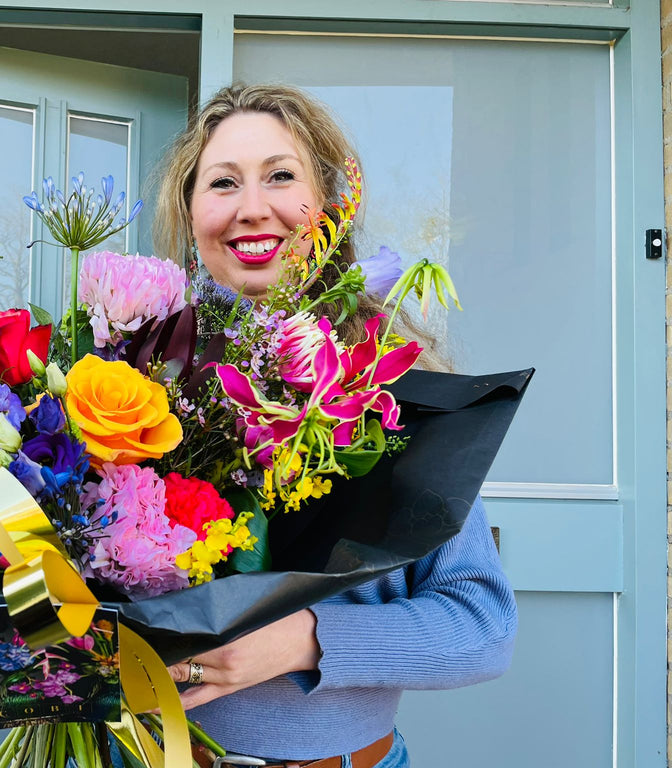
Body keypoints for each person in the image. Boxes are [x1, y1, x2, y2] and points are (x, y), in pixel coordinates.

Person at [155, 84, 517, 767]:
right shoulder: (133, 390)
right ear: (191, 213)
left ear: (325, 209)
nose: (252, 207)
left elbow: (484, 626)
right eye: (223, 182)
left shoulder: (392, 400)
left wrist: (302, 639)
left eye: (281, 176)